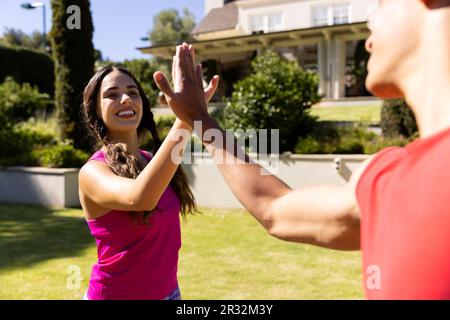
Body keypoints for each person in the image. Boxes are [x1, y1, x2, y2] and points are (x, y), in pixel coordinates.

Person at [154, 0, 450, 299]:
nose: (368, 38)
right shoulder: (383, 181)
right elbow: (275, 208)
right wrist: (201, 120)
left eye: (380, 9)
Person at [78, 66, 218, 300]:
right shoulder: (92, 172)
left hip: (169, 293)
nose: (125, 99)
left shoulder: (152, 161)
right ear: (96, 110)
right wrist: (187, 116)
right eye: (112, 94)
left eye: (133, 92)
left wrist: (194, 112)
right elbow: (140, 198)